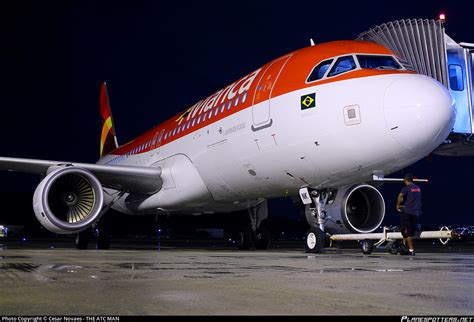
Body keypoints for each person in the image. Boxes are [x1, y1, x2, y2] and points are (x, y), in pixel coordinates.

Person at [396, 173, 422, 256]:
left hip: (407, 213)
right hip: (416, 213)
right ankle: (404, 248)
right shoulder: (418, 188)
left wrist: (398, 204)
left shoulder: (406, 188)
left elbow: (400, 196)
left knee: (407, 233)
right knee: (409, 232)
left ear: (405, 180)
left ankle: (411, 250)